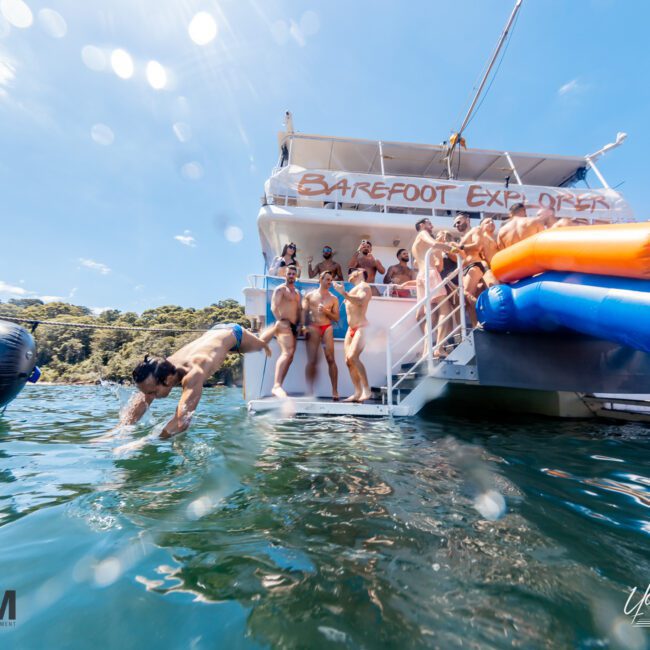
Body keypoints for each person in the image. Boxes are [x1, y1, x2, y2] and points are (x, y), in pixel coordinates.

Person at [119, 325, 271, 438]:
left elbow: (181, 422)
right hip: (213, 332)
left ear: (167, 379)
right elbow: (143, 399)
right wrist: (119, 431)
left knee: (262, 345)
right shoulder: (163, 368)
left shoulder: (194, 373)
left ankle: (276, 328)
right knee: (226, 349)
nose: (150, 396)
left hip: (234, 333)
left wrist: (142, 443)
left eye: (152, 392)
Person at [410, 218, 455, 358]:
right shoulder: (423, 234)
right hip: (429, 273)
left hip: (421, 276)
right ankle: (439, 348)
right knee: (445, 309)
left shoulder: (417, 243)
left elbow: (437, 263)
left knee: (429, 315)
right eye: (430, 224)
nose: (432, 226)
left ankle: (426, 351)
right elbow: (435, 243)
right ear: (422, 225)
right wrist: (454, 249)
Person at [262, 265, 303, 398]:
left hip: (294, 327)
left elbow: (299, 310)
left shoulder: (297, 293)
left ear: (296, 276)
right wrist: (281, 321)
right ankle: (276, 386)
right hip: (283, 324)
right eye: (289, 274)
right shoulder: (280, 289)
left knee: (290, 357)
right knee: (287, 353)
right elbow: (274, 307)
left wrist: (300, 325)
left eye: (293, 274)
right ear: (285, 275)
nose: (291, 276)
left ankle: (279, 387)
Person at [334, 269, 372, 402]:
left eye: (352, 271)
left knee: (353, 356)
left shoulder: (364, 286)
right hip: (350, 330)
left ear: (360, 272)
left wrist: (343, 293)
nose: (349, 273)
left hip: (362, 327)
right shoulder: (352, 290)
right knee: (348, 361)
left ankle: (367, 390)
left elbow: (361, 301)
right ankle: (357, 392)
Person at [303, 271, 340, 400]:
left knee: (331, 359)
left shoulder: (333, 298)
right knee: (312, 361)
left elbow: (336, 318)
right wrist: (303, 326)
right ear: (320, 279)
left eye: (331, 280)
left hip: (326, 327)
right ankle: (310, 391)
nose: (329, 282)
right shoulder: (309, 295)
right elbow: (304, 313)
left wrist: (325, 311)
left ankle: (335, 391)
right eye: (327, 279)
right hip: (313, 327)